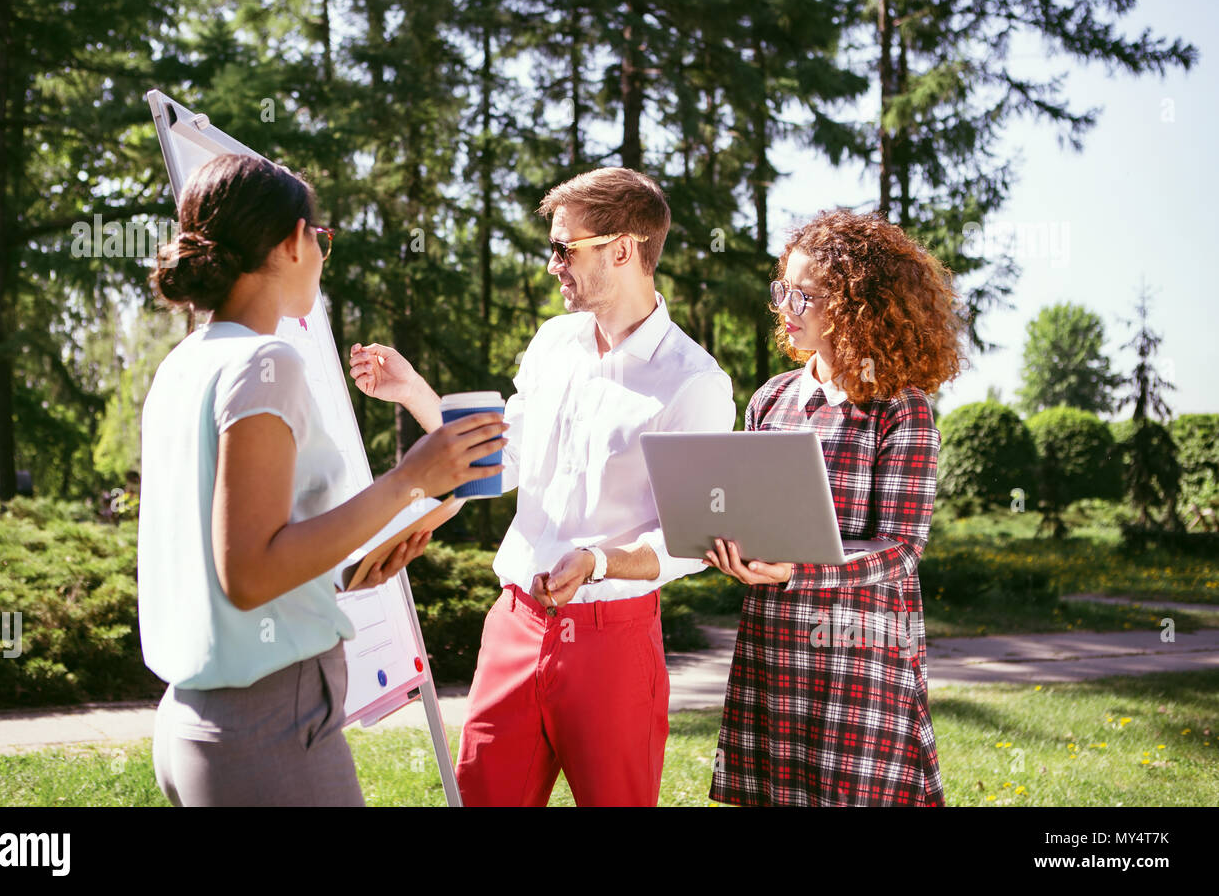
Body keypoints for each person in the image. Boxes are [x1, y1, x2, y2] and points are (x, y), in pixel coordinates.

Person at [349, 167, 736, 806]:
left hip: (614, 642)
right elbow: (505, 460)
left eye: (564, 248)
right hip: (515, 624)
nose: (551, 263)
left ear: (623, 248)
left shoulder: (694, 382)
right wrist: (415, 392)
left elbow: (689, 541)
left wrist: (599, 561)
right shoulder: (554, 341)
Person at [138, 153, 507, 806]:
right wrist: (408, 480)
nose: (322, 254)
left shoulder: (184, 364)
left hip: (195, 722)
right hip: (270, 728)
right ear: (290, 243)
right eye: (321, 237)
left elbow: (229, 549)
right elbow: (248, 573)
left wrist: (340, 567)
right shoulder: (266, 362)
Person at [703, 208, 965, 806]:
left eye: (807, 296)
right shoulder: (771, 397)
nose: (786, 309)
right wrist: (727, 543)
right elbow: (748, 510)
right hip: (774, 643)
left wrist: (798, 569)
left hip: (861, 650)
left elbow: (902, 549)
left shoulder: (902, 407)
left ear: (859, 306)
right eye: (783, 290)